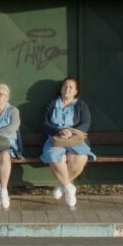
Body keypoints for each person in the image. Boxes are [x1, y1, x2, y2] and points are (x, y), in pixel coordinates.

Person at [40, 76, 95, 209]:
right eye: (65, 86)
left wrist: (71, 131)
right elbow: (45, 123)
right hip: (56, 139)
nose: (67, 89)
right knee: (54, 156)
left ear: (75, 91)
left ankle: (62, 185)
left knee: (80, 157)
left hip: (75, 138)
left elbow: (86, 123)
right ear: (61, 89)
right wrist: (58, 131)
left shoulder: (81, 105)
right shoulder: (52, 104)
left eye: (71, 87)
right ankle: (69, 188)